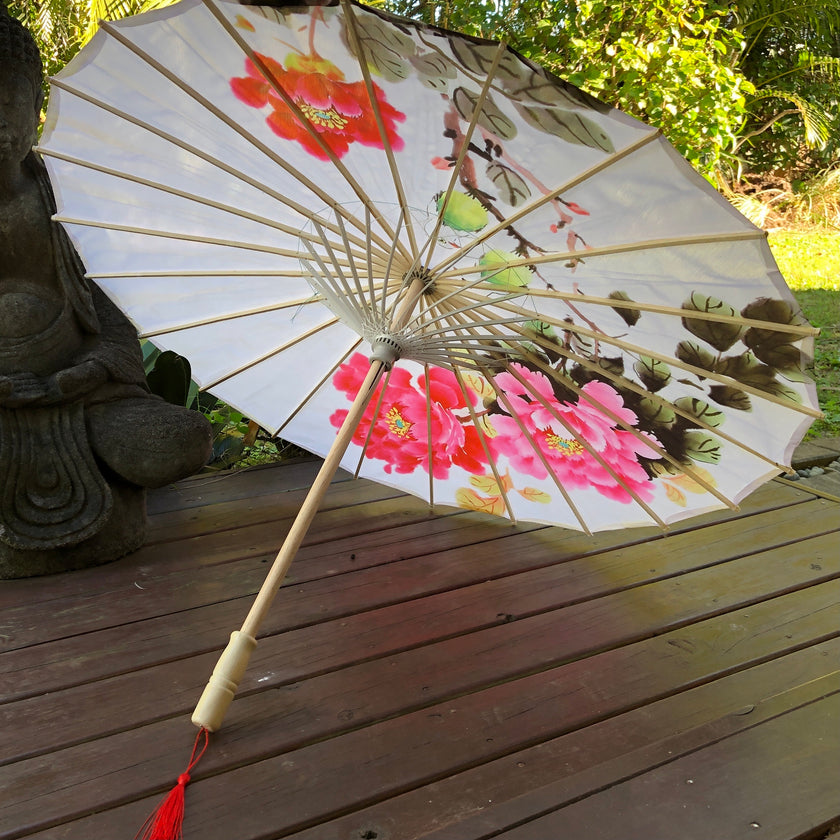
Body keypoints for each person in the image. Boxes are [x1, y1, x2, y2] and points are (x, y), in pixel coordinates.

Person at [0, 3, 212, 575]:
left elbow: (110, 309)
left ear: (32, 104)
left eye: (7, 103)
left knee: (178, 438)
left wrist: (90, 370)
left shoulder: (66, 196)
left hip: (87, 398)